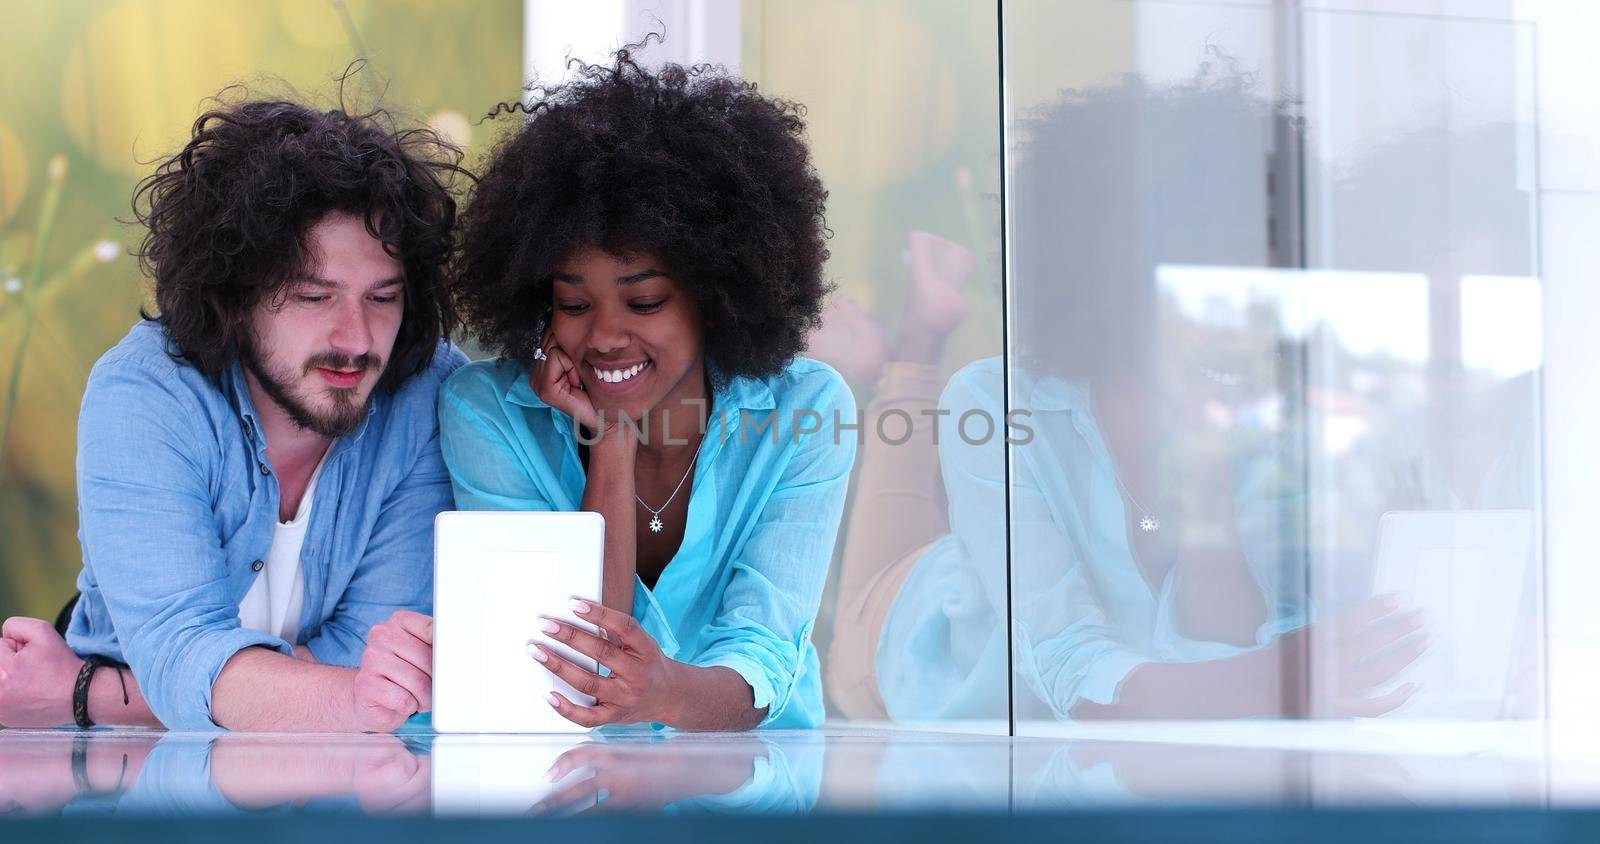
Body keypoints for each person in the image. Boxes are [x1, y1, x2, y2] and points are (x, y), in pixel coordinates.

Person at [824, 69, 1430, 723]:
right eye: (1202, 272)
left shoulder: (1267, 417)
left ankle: (921, 328)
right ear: (1113, 272)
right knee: (855, 631)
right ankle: (917, 344)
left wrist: (1208, 474)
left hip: (1114, 706)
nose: (1239, 308)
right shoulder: (1000, 399)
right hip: (927, 649)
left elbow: (1229, 653)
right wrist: (1281, 679)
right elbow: (1068, 668)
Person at [0, 91, 467, 732]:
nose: (357, 338)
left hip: (342, 800)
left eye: (382, 297)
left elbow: (377, 666)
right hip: (137, 789)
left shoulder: (431, 395)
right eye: (313, 296)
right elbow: (185, 656)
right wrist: (338, 695)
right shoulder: (144, 394)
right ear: (233, 295)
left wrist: (85, 694)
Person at [436, 46, 855, 730]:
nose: (604, 336)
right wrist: (612, 442)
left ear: (714, 298)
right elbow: (573, 668)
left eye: (646, 301)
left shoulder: (803, 411)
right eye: (574, 305)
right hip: (563, 793)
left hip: (746, 791)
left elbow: (764, 648)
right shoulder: (486, 414)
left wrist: (665, 692)